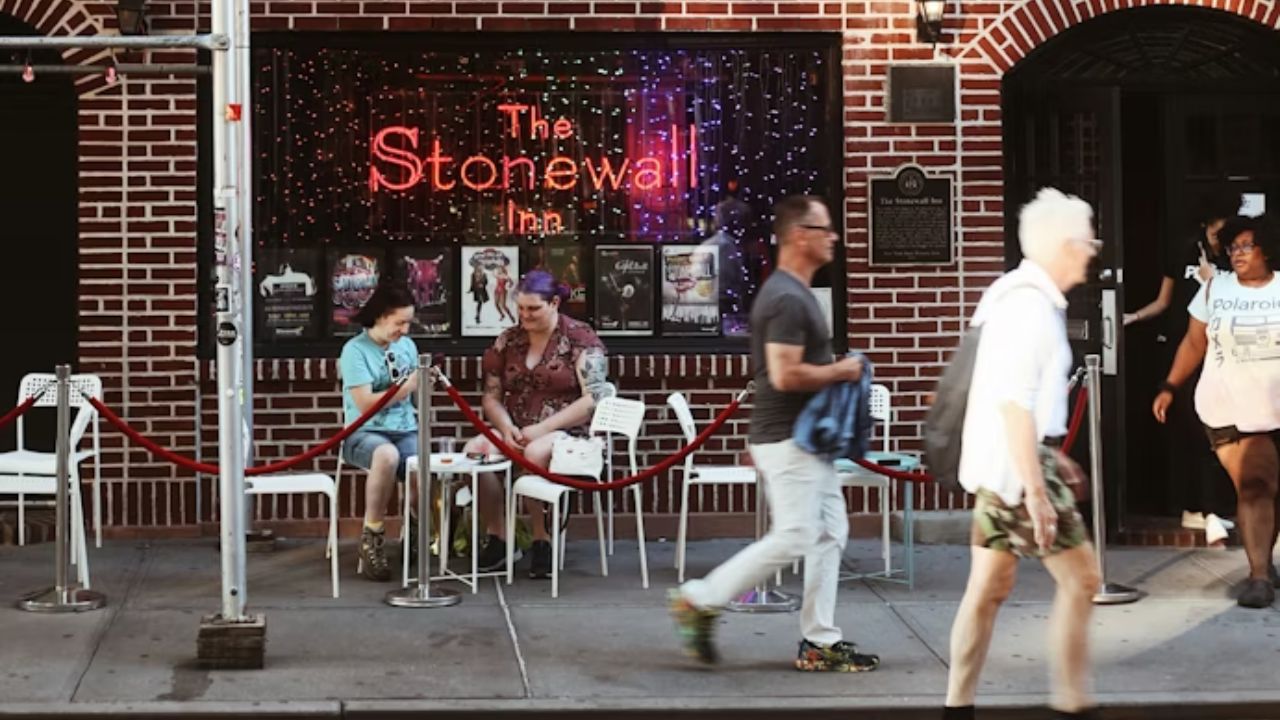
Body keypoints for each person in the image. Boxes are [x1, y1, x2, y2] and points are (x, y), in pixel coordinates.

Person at [668, 195, 879, 673]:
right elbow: (784, 376)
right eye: (825, 229)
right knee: (796, 535)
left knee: (828, 532)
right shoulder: (785, 297)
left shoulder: (792, 291)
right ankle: (698, 599)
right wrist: (843, 372)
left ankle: (819, 641)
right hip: (790, 438)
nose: (834, 237)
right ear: (800, 235)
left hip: (802, 439)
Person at [943, 188, 1102, 720]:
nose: (1092, 252)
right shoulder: (1030, 307)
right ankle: (1072, 701)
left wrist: (1051, 456)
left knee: (989, 588)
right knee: (1083, 580)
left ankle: (958, 706)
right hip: (1015, 469)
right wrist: (1038, 490)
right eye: (1087, 241)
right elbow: (1013, 403)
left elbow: (1013, 399)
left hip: (1007, 464)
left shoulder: (1016, 296)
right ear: (1065, 244)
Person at [1153, 215, 1280, 609]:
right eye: (1233, 247)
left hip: (1275, 404)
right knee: (1254, 483)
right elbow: (1194, 343)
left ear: (1267, 250)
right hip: (1226, 405)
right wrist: (1170, 385)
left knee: (1268, 488)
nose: (1237, 254)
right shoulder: (1214, 289)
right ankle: (1259, 575)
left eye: (1247, 246)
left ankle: (1262, 559)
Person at [463, 270, 609, 579]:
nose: (525, 315)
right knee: (476, 450)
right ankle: (500, 536)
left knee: (535, 452)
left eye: (533, 309)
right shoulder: (508, 340)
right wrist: (505, 428)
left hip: (567, 431)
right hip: (515, 427)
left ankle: (542, 538)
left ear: (555, 303)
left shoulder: (580, 338)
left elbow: (593, 398)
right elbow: (491, 396)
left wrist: (541, 430)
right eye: (520, 308)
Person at [1126, 191, 1239, 542]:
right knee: (1196, 432)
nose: (1222, 235)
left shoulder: (1234, 257)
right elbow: (1164, 300)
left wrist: (1211, 279)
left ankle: (1212, 509)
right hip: (1186, 354)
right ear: (1206, 223)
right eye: (1218, 226)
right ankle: (1202, 510)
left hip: (1224, 356)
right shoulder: (1185, 252)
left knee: (1224, 432)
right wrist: (1133, 316)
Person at [339, 281, 421, 582]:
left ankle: (415, 532)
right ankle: (372, 536)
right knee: (386, 455)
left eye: (408, 323)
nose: (405, 330)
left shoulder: (407, 347)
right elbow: (364, 405)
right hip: (364, 432)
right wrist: (405, 388)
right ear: (381, 316)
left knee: (421, 464)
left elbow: (415, 398)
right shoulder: (355, 351)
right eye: (400, 322)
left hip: (405, 428)